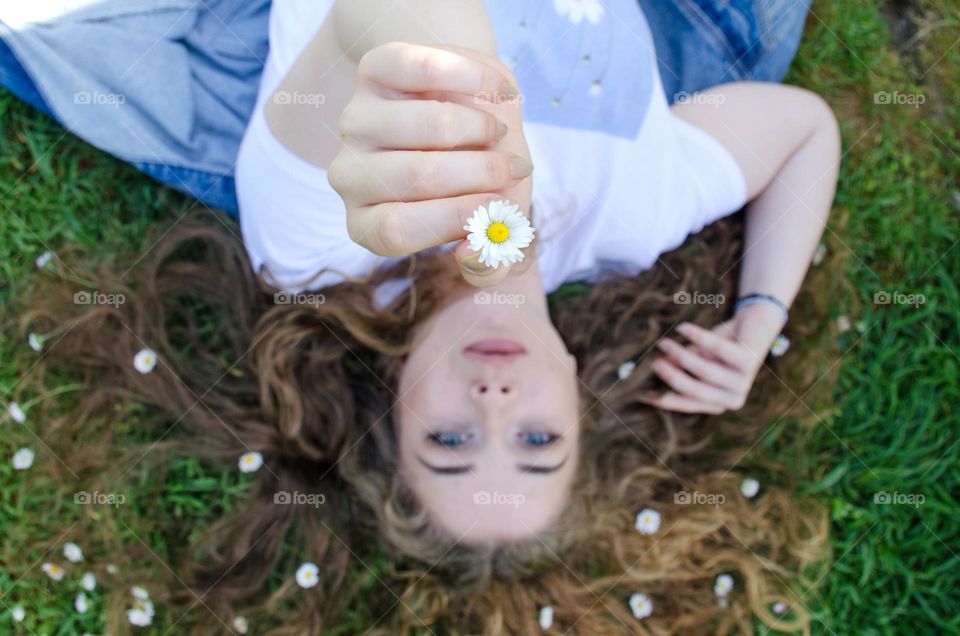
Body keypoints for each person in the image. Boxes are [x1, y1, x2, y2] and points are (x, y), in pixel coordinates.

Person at [6, 0, 837, 633]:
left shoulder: (321, 250)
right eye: (538, 443)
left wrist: (459, 75)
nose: (494, 407)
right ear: (581, 402)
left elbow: (361, 22)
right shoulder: (635, 215)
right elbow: (805, 131)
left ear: (394, 405)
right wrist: (760, 317)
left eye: (450, 444)